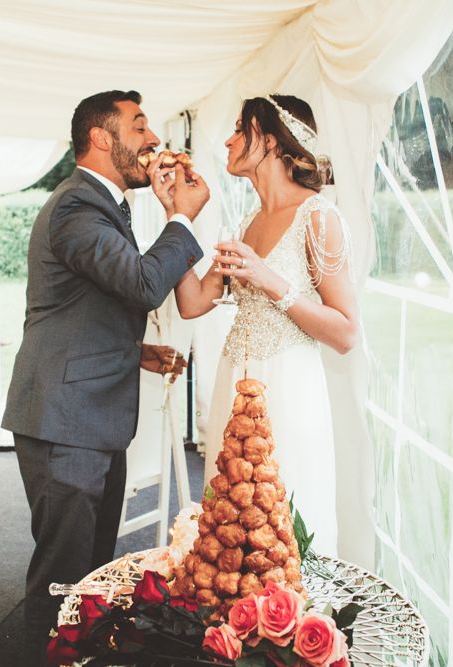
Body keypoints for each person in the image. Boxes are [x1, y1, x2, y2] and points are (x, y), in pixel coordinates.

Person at [1, 89, 209, 665]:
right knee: (63, 582)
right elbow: (142, 283)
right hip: (66, 422)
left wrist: (136, 349)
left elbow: (83, 305)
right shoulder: (75, 206)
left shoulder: (104, 207)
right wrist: (182, 216)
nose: (153, 141)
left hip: (88, 419)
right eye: (139, 126)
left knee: (89, 576)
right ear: (100, 137)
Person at [174, 95, 357, 556]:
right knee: (231, 525)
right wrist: (178, 215)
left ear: (271, 141)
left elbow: (346, 332)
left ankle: (298, 625)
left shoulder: (318, 217)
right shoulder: (247, 221)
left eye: (241, 128)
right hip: (233, 384)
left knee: (286, 525)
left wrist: (271, 281)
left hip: (288, 391)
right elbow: (193, 303)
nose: (230, 139)